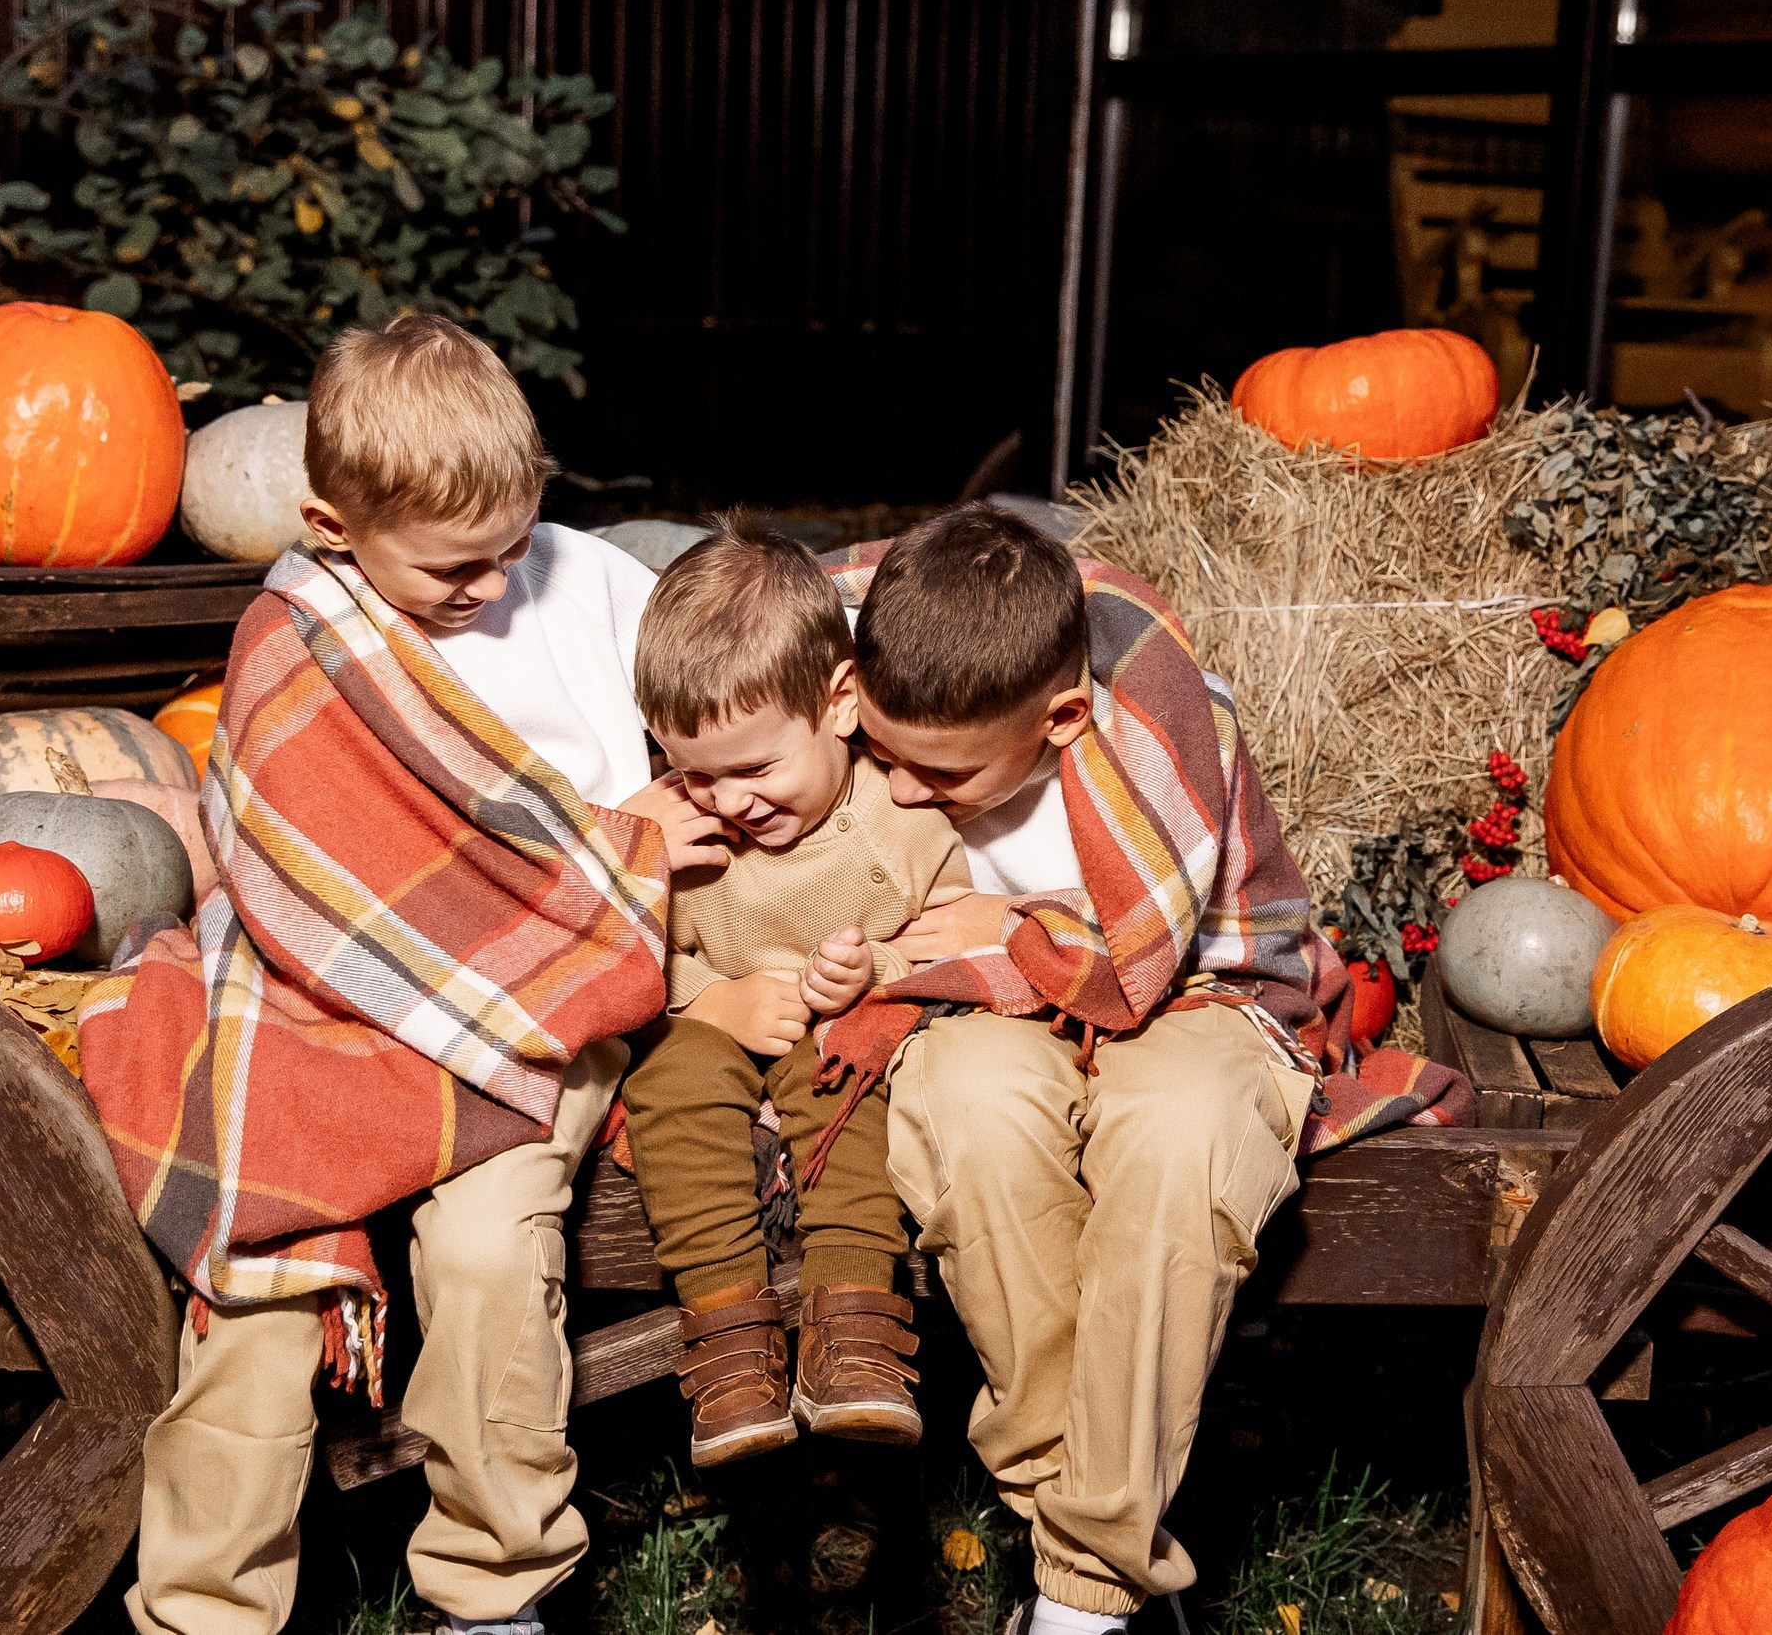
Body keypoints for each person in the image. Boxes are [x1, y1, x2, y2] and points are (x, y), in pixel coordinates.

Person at [80, 313, 725, 1635]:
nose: (493, 586)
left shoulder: (584, 583)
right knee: (258, 1286)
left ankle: (496, 1592)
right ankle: (203, 1611)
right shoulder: (296, 644)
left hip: (537, 999)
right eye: (454, 568)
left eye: (510, 548)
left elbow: (722, 701)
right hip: (329, 996)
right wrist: (619, 845)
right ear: (329, 521)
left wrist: (623, 851)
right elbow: (309, 858)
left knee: (491, 1248)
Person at [814, 505, 1467, 1635]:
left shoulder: (1160, 721)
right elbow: (733, 618)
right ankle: (1083, 1532)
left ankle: (1077, 1602)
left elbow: (1137, 965)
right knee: (973, 1114)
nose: (903, 790)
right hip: (973, 990)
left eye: (940, 771)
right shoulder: (892, 629)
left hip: (1193, 980)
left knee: (1180, 1135)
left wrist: (1002, 915)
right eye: (882, 751)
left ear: (1062, 716)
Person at [620, 517, 967, 1467]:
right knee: (670, 1083)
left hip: (840, 1033)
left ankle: (854, 1325)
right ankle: (728, 1334)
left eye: (756, 767)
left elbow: (955, 939)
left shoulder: (899, 823)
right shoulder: (688, 840)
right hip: (709, 1023)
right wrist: (706, 1003)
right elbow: (629, 958)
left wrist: (878, 976)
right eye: (696, 773)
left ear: (841, 703)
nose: (730, 801)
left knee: (846, 1075)